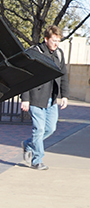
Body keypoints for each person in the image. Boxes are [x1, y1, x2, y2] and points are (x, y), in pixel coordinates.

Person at [21, 25, 69, 171]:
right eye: (53, 40)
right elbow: (25, 77)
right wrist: (25, 98)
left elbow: (64, 76)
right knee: (39, 129)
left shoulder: (59, 54)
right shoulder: (34, 52)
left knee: (50, 128)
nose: (56, 44)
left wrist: (64, 95)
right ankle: (37, 160)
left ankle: (28, 144)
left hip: (51, 99)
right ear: (46, 39)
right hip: (35, 97)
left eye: (58, 41)